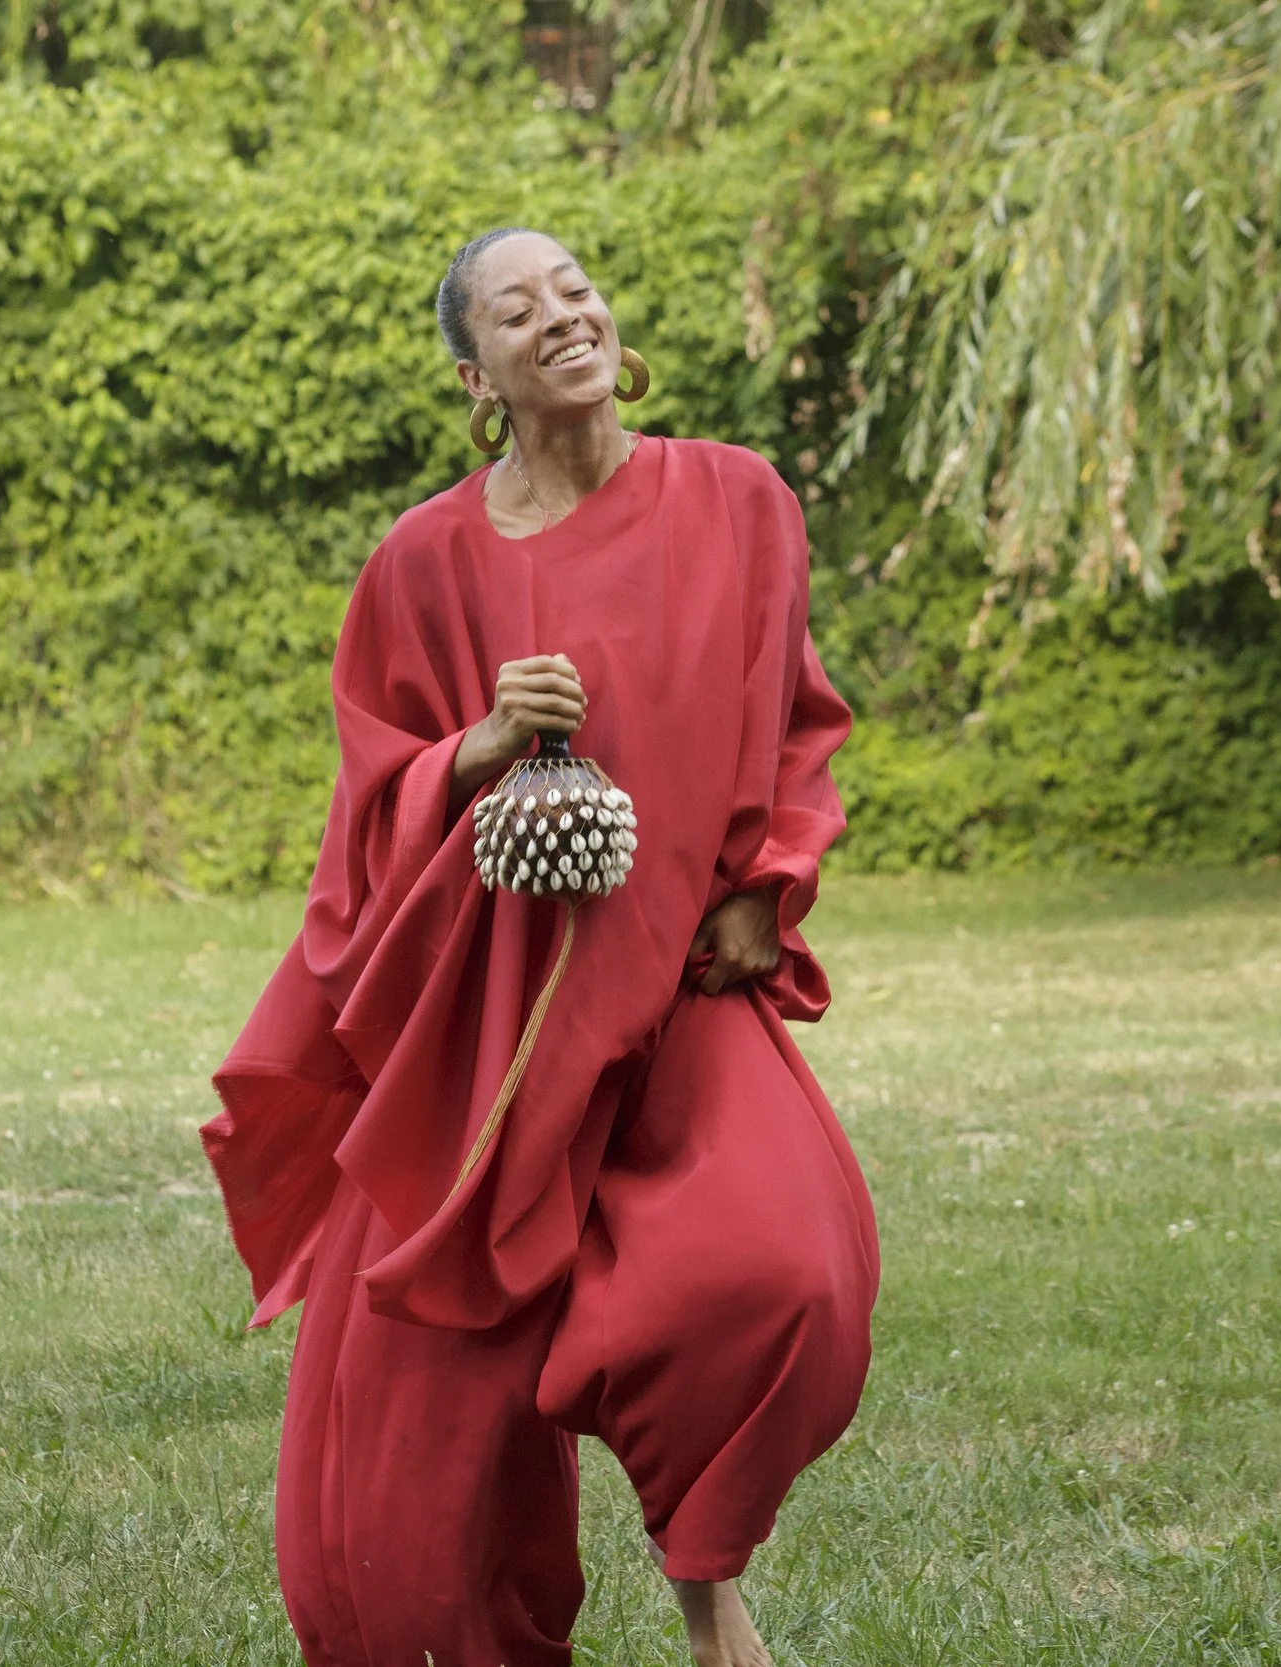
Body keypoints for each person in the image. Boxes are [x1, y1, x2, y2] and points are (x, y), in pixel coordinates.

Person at [203, 227, 878, 1667]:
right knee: (403, 1502)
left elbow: (797, 719)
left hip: (683, 985)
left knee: (788, 1276)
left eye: (574, 290)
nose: (561, 316)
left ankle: (705, 1576)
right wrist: (481, 744)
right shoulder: (423, 561)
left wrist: (770, 882)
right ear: (478, 376)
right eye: (517, 312)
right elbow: (370, 804)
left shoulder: (738, 499)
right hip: (491, 1024)